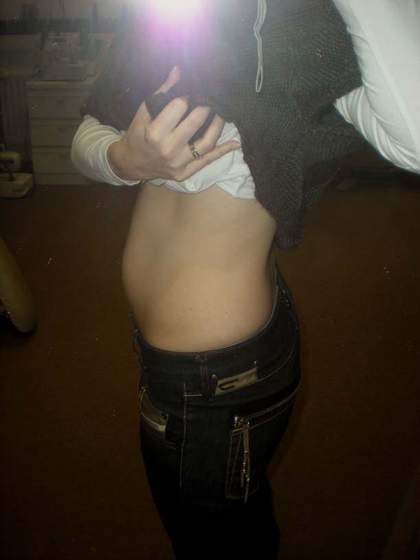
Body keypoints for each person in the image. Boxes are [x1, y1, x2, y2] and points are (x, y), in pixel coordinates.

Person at [71, 0, 420, 557]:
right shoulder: (183, 20)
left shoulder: (317, 33)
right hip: (185, 360)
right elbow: (87, 131)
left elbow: (415, 139)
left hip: (217, 376)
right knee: (222, 527)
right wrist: (123, 159)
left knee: (215, 540)